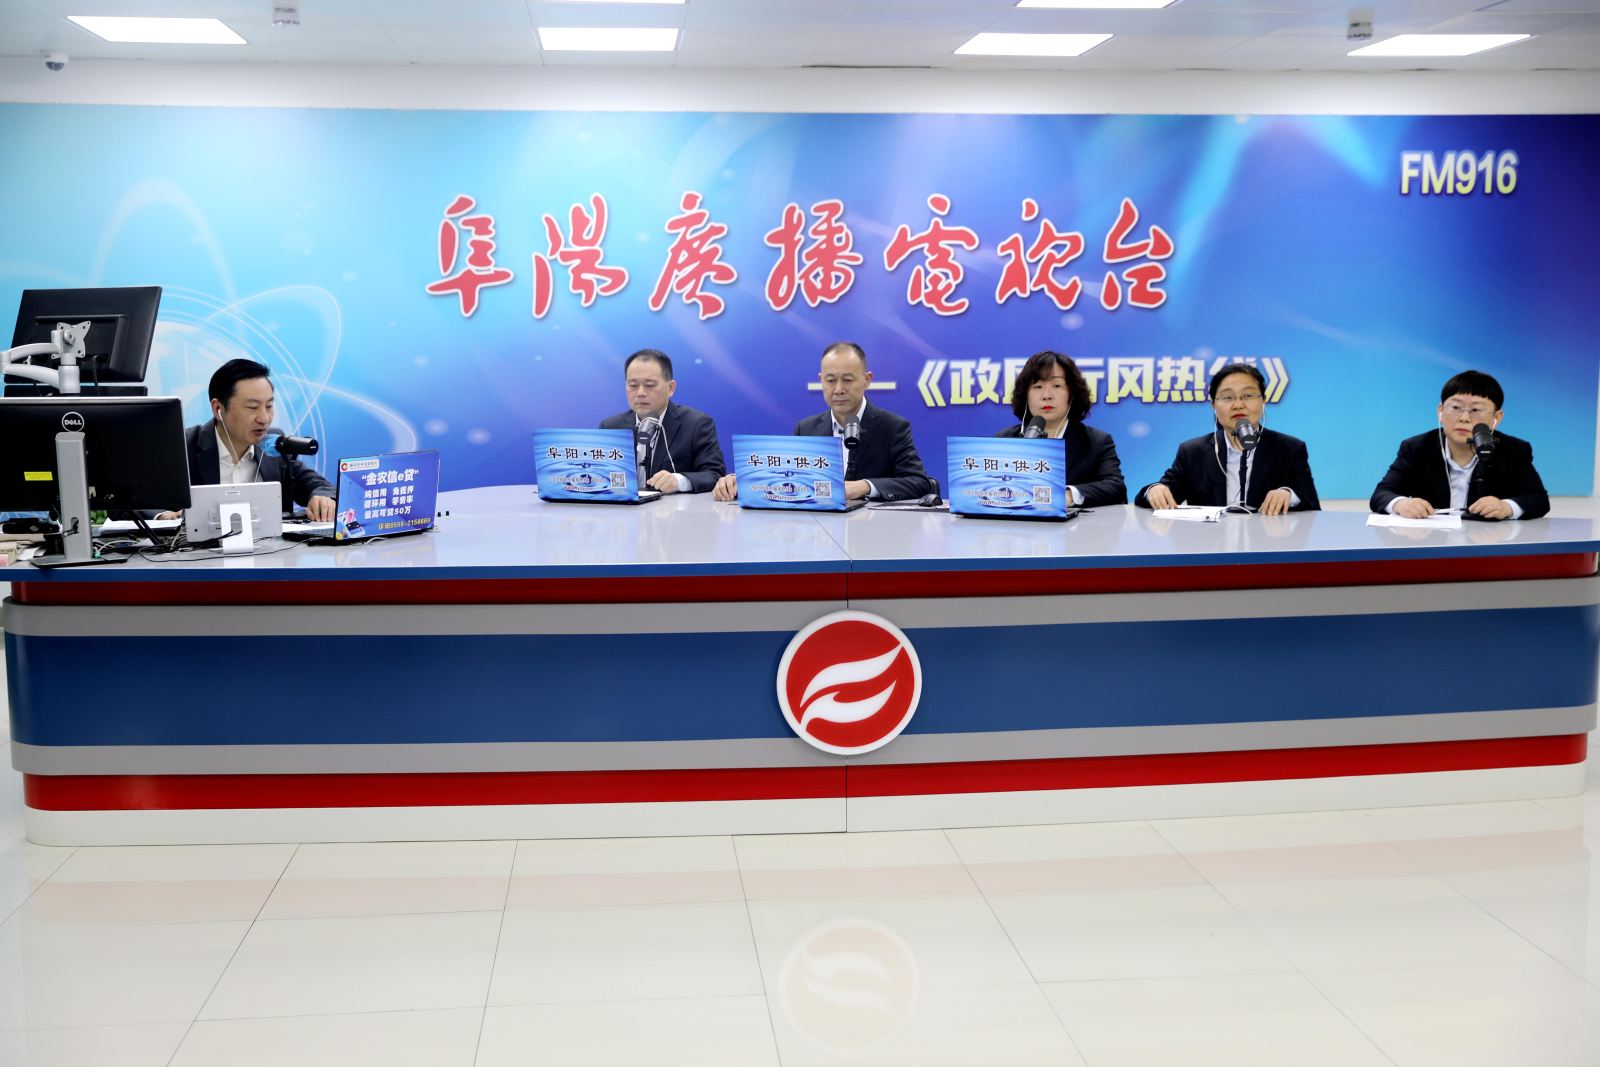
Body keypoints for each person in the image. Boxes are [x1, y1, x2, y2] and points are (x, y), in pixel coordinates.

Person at [712, 342, 934, 503]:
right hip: (819, 533)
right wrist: (740, 480)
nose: (838, 389)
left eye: (847, 380)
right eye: (830, 380)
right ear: (821, 381)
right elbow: (787, 477)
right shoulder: (806, 428)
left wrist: (864, 486)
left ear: (867, 380)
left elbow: (919, 482)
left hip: (873, 533)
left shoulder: (892, 426)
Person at [160, 359, 335, 521]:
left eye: (269, 406)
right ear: (218, 408)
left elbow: (321, 487)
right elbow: (145, 502)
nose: (264, 418)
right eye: (252, 407)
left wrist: (322, 498)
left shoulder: (275, 445)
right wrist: (163, 516)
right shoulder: (181, 447)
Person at [1134, 362, 1319, 515]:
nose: (1238, 405)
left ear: (1263, 400)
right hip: (1210, 545)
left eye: (1248, 395)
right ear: (1213, 405)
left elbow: (1311, 504)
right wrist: (1154, 490)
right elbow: (1161, 493)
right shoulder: (1192, 452)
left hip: (1268, 545)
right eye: (1227, 397)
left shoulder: (1289, 449)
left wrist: (1288, 495)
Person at [1370, 369, 1548, 521]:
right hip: (1431, 540)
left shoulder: (1513, 450)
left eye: (1476, 410)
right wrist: (1401, 504)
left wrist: (1506, 507)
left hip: (1487, 542)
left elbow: (1538, 500)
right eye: (1456, 408)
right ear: (1440, 411)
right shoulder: (1416, 447)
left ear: (1497, 417)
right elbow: (1381, 494)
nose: (1464, 418)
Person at [993, 350, 1126, 507]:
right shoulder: (1004, 441)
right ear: (1025, 395)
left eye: (1057, 385)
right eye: (1038, 386)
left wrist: (1069, 495)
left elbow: (1116, 487)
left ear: (1072, 394)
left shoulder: (1097, 442)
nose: (1047, 395)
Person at [599, 349, 726, 494]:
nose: (640, 393)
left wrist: (679, 481)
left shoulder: (696, 424)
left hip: (674, 508)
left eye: (649, 385)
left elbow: (715, 475)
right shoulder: (610, 427)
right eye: (633, 385)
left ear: (670, 388)